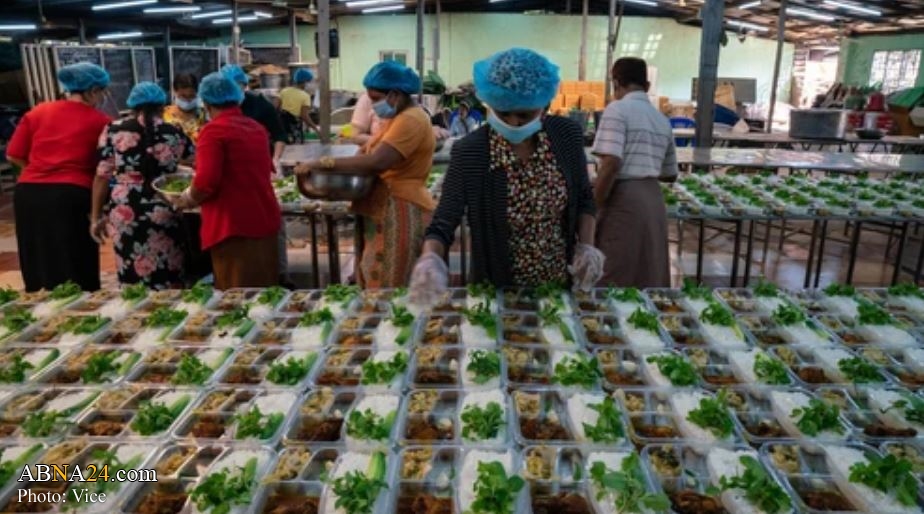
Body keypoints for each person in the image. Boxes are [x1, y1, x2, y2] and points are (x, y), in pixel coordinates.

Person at [409, 48, 603, 303]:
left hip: (556, 285)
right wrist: (430, 258)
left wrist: (586, 247)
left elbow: (584, 199)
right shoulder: (472, 151)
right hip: (495, 289)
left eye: (524, 114)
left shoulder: (565, 136)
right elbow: (444, 222)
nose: (513, 123)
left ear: (544, 106)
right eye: (503, 113)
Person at [294, 61, 435, 288]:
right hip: (383, 205)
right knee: (373, 276)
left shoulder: (411, 119)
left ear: (395, 94)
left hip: (401, 207)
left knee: (390, 284)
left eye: (376, 98)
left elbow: (378, 162)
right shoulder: (395, 118)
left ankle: (387, 323)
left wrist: (324, 163)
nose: (373, 104)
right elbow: (370, 152)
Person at [7, 62, 111, 292]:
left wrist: (37, 173)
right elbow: (104, 168)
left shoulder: (38, 112)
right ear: (93, 91)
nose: (103, 96)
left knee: (37, 254)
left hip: (28, 194)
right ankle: (78, 309)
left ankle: (41, 306)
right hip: (71, 195)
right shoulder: (101, 121)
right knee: (74, 257)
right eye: (102, 91)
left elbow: (14, 154)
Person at [172, 73, 281, 289]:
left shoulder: (213, 132)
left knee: (236, 293)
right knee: (264, 290)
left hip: (232, 225)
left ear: (206, 102)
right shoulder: (255, 128)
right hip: (264, 217)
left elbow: (206, 183)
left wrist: (186, 199)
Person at [91, 82, 192, 289]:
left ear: (132, 105)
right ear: (162, 106)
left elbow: (102, 176)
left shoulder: (113, 130)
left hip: (125, 207)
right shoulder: (173, 131)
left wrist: (95, 217)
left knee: (130, 269)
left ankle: (134, 307)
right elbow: (195, 159)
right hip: (165, 204)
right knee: (169, 268)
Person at [592, 57, 677, 288]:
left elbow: (611, 163)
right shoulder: (661, 119)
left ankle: (612, 322)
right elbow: (670, 174)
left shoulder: (617, 109)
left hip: (625, 198)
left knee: (616, 269)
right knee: (648, 270)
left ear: (616, 82)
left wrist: (594, 206)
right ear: (647, 86)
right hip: (653, 199)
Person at [220, 64, 294, 288]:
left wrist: (275, 159)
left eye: (239, 86)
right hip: (233, 175)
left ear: (245, 85)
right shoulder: (219, 107)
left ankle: (279, 274)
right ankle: (240, 277)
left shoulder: (259, 105)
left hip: (261, 168)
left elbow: (280, 134)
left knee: (270, 220)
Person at [163, 74, 207, 144]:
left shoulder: (203, 114)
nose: (188, 100)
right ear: (175, 91)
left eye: (191, 96)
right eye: (183, 96)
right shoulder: (165, 114)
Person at [279, 68, 320, 143]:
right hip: (294, 129)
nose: (312, 84)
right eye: (310, 82)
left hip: (282, 127)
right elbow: (304, 116)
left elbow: (277, 108)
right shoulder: (305, 96)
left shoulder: (284, 91)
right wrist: (315, 128)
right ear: (305, 82)